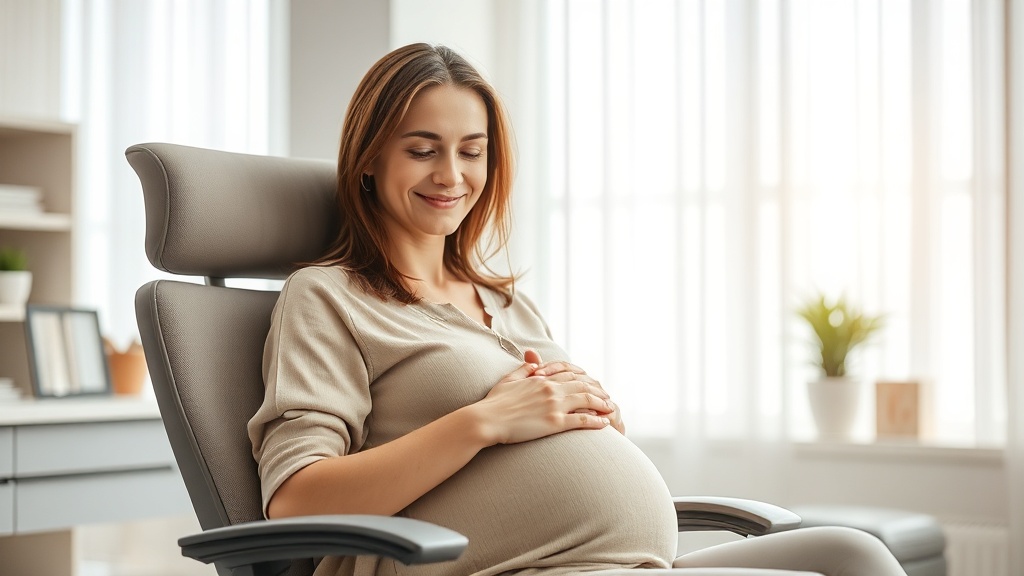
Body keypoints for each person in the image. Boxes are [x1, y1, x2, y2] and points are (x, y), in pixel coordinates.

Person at [247, 43, 907, 576]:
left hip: (628, 559)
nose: (451, 175)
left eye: (471, 151)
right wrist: (486, 421)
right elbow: (297, 500)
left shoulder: (508, 303)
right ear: (368, 160)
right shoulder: (328, 297)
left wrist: (598, 421)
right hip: (511, 568)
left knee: (852, 555)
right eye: (423, 150)